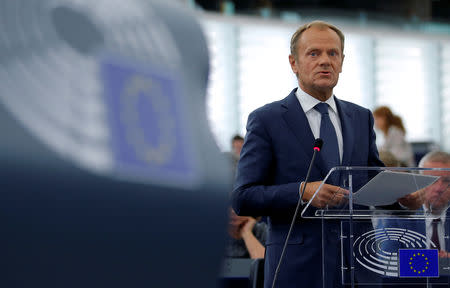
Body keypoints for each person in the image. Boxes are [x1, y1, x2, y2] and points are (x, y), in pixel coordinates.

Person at [232, 20, 384, 288]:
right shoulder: (267, 120)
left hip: (359, 267)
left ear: (342, 61)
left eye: (332, 53)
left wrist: (405, 196)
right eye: (314, 53)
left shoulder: (361, 118)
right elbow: (244, 197)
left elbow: (371, 181)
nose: (325, 61)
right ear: (294, 63)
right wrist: (301, 191)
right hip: (297, 268)